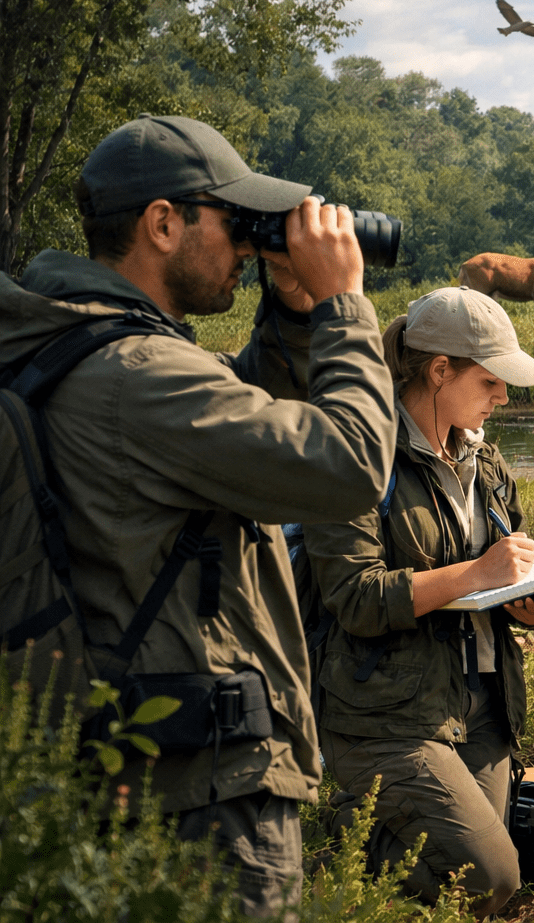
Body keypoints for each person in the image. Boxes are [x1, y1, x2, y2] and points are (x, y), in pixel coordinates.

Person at [0, 114, 396, 916]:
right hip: (199, 787)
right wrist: (345, 304)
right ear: (162, 223)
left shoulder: (76, 346)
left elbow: (243, 414)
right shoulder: (138, 374)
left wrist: (290, 315)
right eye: (234, 221)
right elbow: (348, 465)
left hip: (130, 755)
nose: (249, 246)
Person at [304, 287, 534, 917]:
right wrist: (474, 575)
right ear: (439, 371)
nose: (504, 395)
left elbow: (506, 565)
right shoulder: (358, 456)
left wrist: (529, 602)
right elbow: (357, 597)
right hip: (384, 712)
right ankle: (328, 852)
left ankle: (359, 850)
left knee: (481, 885)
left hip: (479, 699)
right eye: (490, 379)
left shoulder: (484, 457)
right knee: (493, 878)